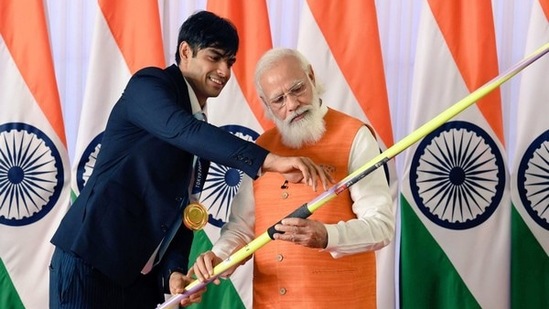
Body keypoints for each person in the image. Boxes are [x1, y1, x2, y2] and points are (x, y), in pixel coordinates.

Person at [49, 13, 330, 309]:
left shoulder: (199, 124)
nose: (223, 71)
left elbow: (182, 210)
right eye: (215, 57)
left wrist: (172, 272)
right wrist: (268, 160)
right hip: (91, 264)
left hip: (139, 284)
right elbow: (182, 130)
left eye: (230, 61)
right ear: (185, 52)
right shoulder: (149, 86)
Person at [192, 48, 395, 308]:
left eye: (297, 89)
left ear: (311, 76)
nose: (292, 104)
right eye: (278, 99)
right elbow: (241, 228)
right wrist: (220, 257)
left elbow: (381, 227)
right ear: (267, 105)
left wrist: (327, 236)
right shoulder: (261, 149)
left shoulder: (355, 135)